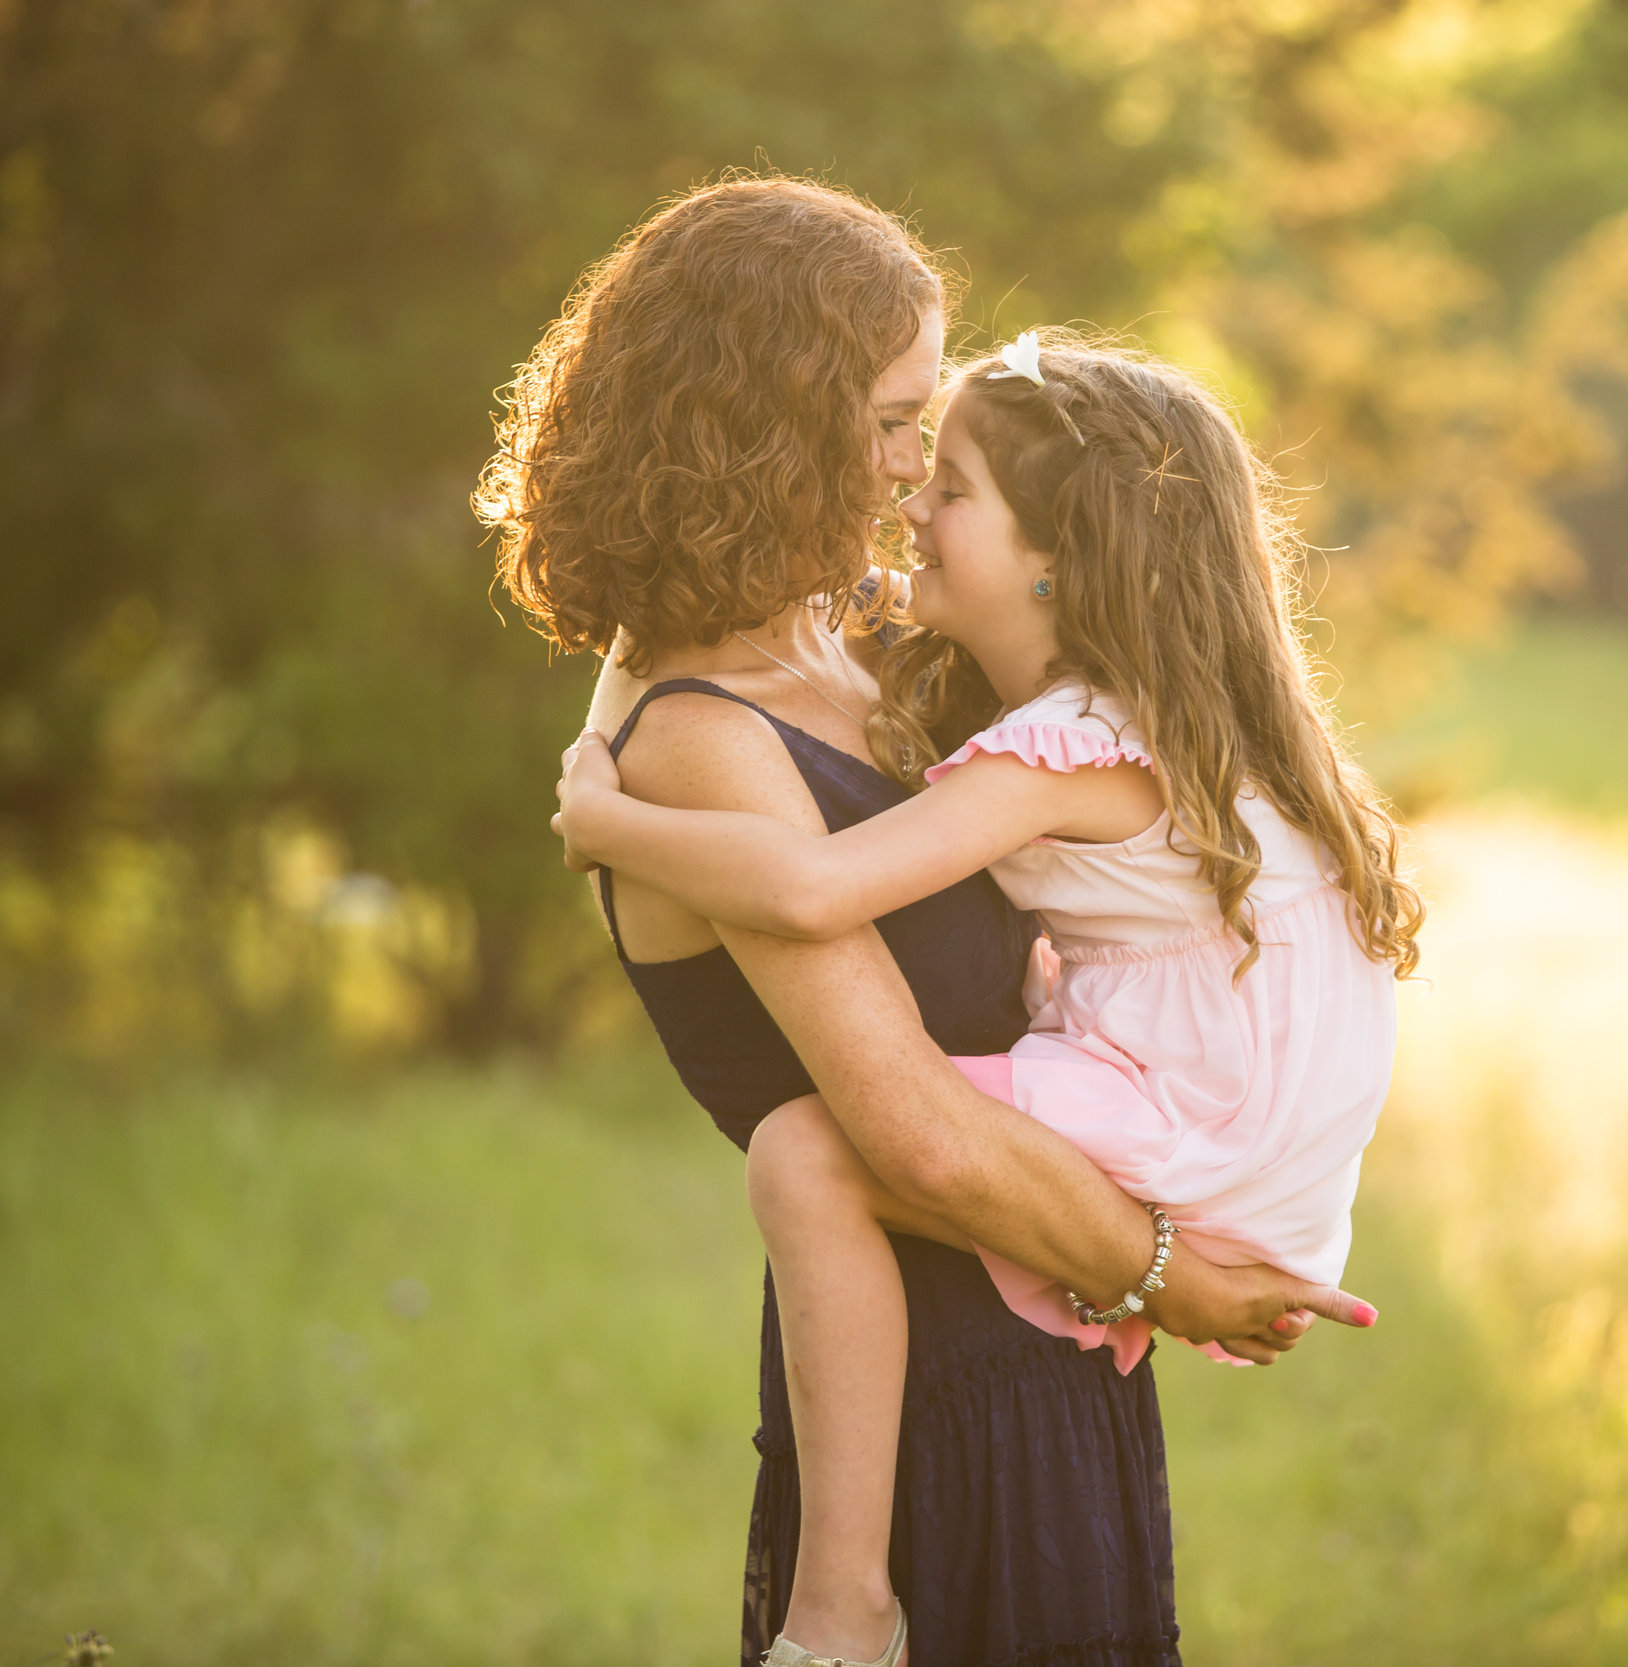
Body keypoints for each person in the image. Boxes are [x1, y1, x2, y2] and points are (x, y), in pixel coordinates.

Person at [477, 178, 1350, 1667]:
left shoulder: (843, 638)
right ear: (765, 422)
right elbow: (914, 1132)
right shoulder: (699, 736)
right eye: (889, 424)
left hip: (1051, 1333)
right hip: (932, 1403)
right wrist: (1173, 1276)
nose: (905, 469)